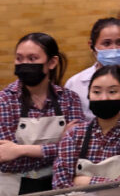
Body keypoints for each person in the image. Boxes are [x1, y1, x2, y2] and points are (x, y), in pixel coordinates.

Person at [0, 34, 85, 195]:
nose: (25, 64)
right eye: (19, 59)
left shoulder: (69, 99)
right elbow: (6, 162)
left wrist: (20, 150)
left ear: (52, 62)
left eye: (32, 59)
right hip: (15, 188)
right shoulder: (4, 101)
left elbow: (78, 151)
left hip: (60, 186)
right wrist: (61, 145)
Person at [51, 66, 120, 188]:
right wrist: (116, 181)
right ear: (88, 94)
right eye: (96, 92)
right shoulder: (74, 135)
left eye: (112, 92)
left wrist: (82, 181)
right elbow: (60, 184)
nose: (104, 98)